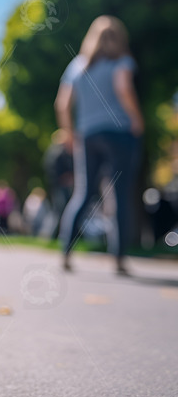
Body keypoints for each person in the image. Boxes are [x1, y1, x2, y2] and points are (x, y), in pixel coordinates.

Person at [55, 15, 144, 275]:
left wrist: (69, 133)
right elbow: (124, 89)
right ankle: (118, 259)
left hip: (88, 135)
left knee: (83, 194)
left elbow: (62, 104)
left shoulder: (78, 66)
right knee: (119, 194)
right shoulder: (122, 60)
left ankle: (65, 252)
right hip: (119, 132)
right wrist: (137, 120)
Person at [43, 129, 74, 238]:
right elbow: (56, 171)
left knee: (58, 210)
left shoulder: (51, 152)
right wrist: (65, 178)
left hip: (56, 185)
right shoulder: (59, 152)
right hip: (61, 185)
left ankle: (53, 235)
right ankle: (54, 235)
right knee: (61, 210)